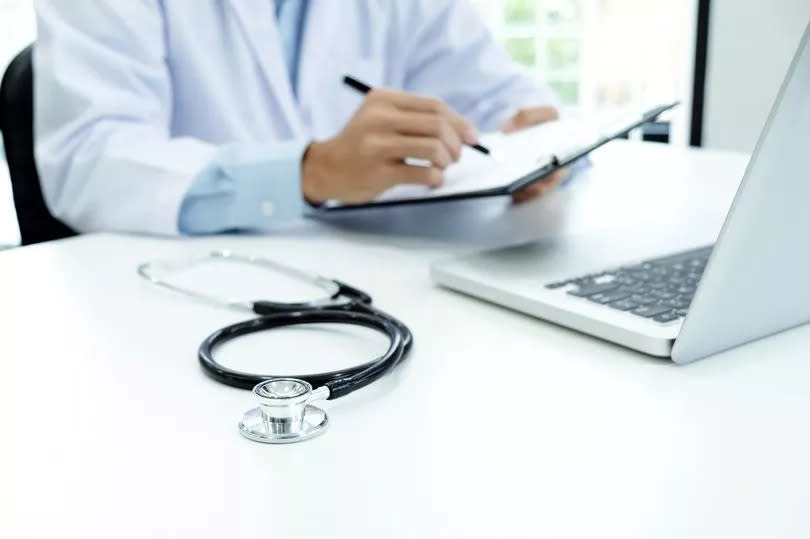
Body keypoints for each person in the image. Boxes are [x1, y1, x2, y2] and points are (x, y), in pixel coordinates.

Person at [34, 0, 567, 235]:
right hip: (172, 297)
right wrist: (307, 173)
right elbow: (91, 157)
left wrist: (535, 146)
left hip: (373, 287)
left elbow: (499, 94)